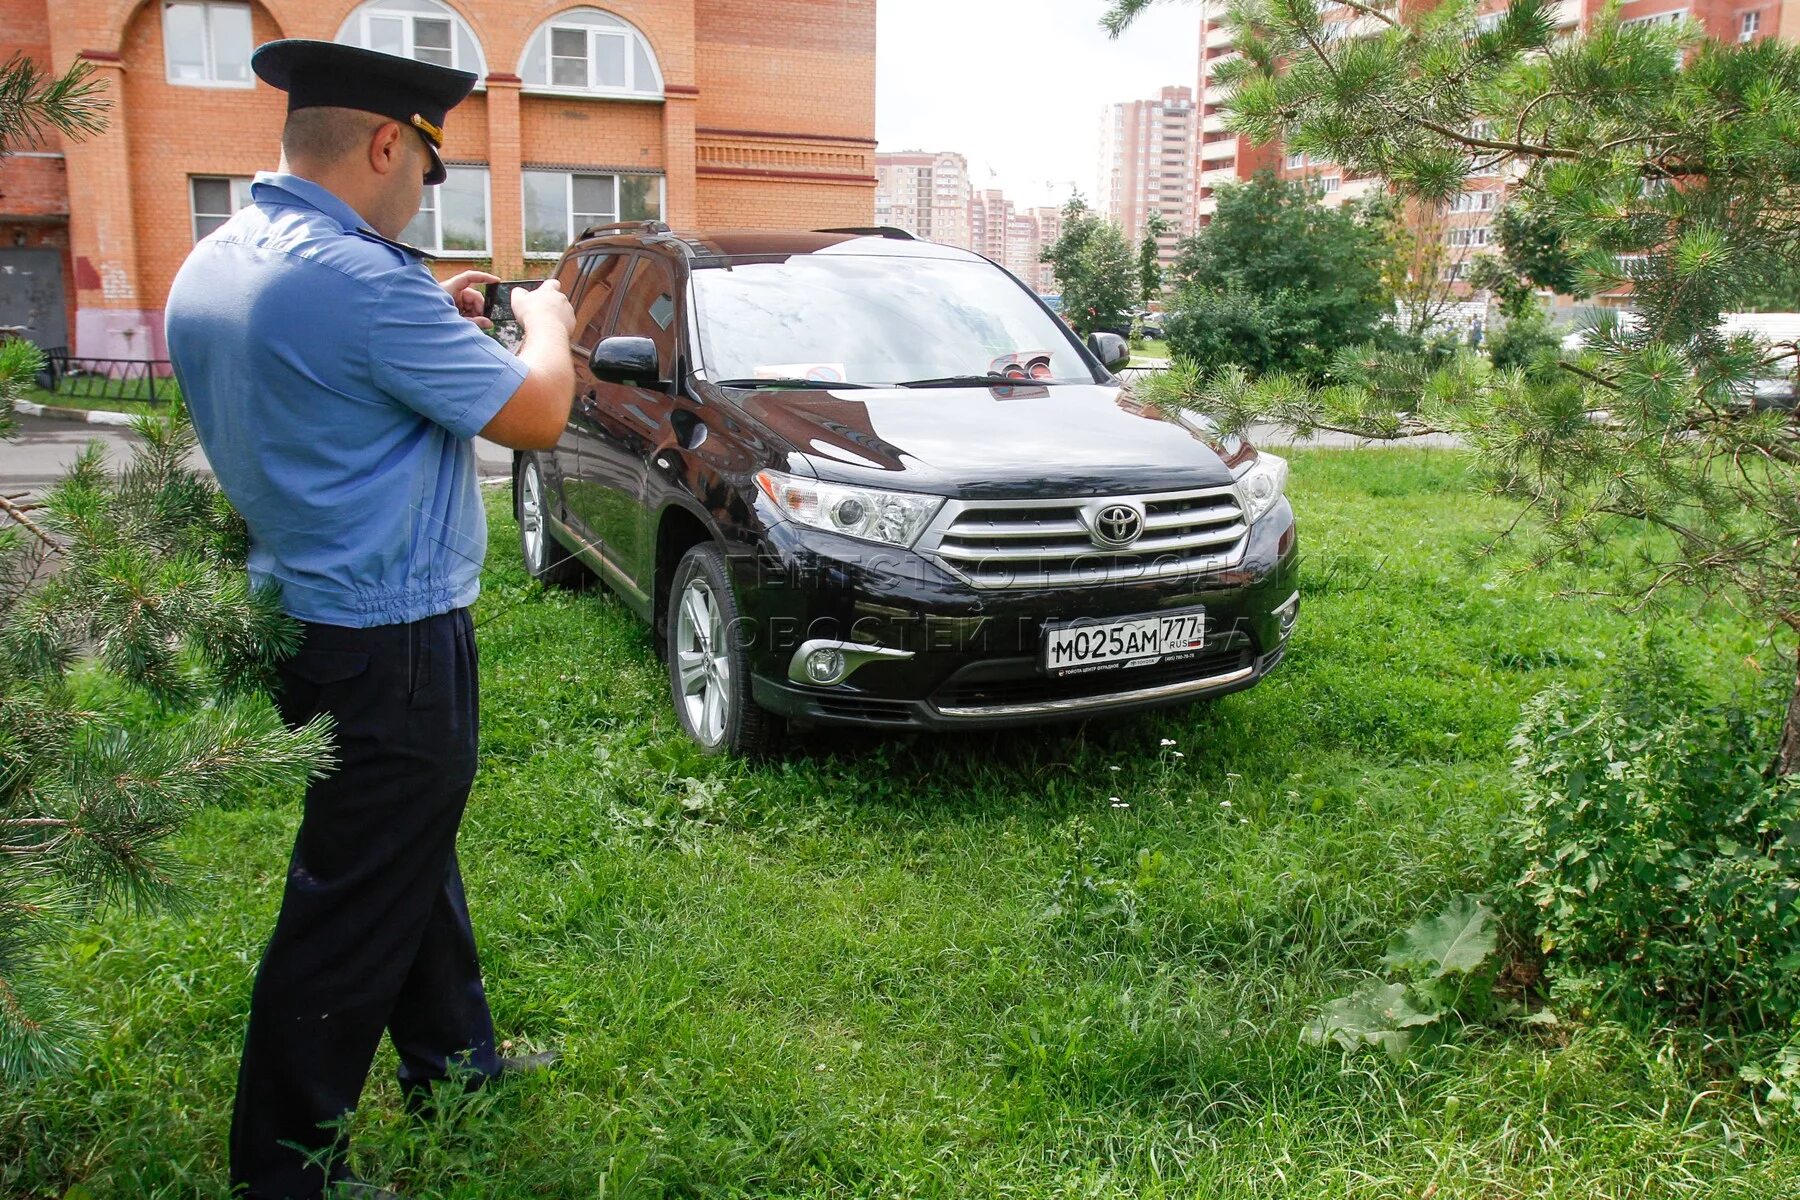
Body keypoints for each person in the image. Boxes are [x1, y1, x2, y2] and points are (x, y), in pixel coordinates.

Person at [164, 39, 578, 1200]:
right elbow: (537, 412)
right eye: (424, 172)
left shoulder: (222, 258)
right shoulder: (359, 282)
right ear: (389, 143)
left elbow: (335, 383)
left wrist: (432, 316)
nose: (418, 200)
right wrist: (540, 318)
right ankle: (287, 1172)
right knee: (349, 907)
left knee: (401, 854)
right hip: (392, 635)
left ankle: (459, 1067)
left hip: (303, 618)